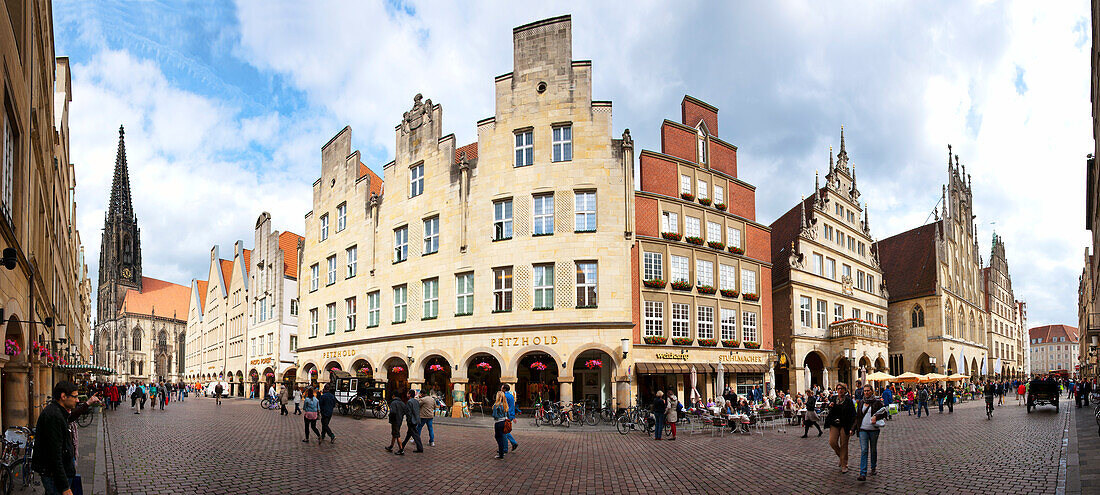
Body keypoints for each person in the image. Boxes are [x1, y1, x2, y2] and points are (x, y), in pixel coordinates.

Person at [32, 381, 96, 495]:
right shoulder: (53, 416)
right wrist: (65, 487)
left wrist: (88, 403)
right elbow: (54, 455)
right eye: (75, 397)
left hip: (60, 473)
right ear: (63, 396)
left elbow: (70, 417)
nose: (77, 400)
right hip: (54, 476)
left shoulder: (59, 411)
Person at [855, 384, 886, 482]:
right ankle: (862, 473)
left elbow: (885, 413)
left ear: (872, 391)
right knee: (864, 450)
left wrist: (876, 417)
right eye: (865, 391)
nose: (866, 392)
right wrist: (853, 428)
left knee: (873, 449)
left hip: (873, 430)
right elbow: (858, 417)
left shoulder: (877, 402)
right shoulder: (861, 403)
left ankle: (873, 467)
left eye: (868, 390)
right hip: (863, 429)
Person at [825, 383, 856, 474]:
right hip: (835, 423)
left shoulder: (849, 401)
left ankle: (844, 464)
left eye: (842, 389)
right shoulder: (833, 399)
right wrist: (830, 406)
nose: (840, 390)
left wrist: (852, 428)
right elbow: (830, 410)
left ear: (845, 390)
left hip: (845, 424)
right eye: (838, 389)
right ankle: (842, 457)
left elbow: (853, 414)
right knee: (832, 442)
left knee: (843, 444)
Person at [387, 390, 408, 455]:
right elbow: (405, 411)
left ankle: (401, 449)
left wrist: (390, 416)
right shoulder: (402, 403)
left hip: (395, 420)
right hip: (399, 420)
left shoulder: (393, 403)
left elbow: (392, 412)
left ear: (393, 396)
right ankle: (391, 446)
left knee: (397, 434)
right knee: (394, 433)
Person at [492, 390, 509, 459]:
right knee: (501, 437)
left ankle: (501, 453)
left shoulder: (496, 405)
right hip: (504, 421)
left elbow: (494, 415)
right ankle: (502, 451)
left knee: (498, 437)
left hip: (498, 422)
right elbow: (507, 414)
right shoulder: (505, 405)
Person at [501, 384, 518, 452]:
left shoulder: (504, 396)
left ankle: (506, 447)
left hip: (506, 415)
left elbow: (505, 406)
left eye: (502, 387)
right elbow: (513, 406)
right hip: (510, 414)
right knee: (505, 430)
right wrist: (513, 416)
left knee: (504, 431)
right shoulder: (511, 395)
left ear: (504, 389)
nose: (501, 388)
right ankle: (512, 443)